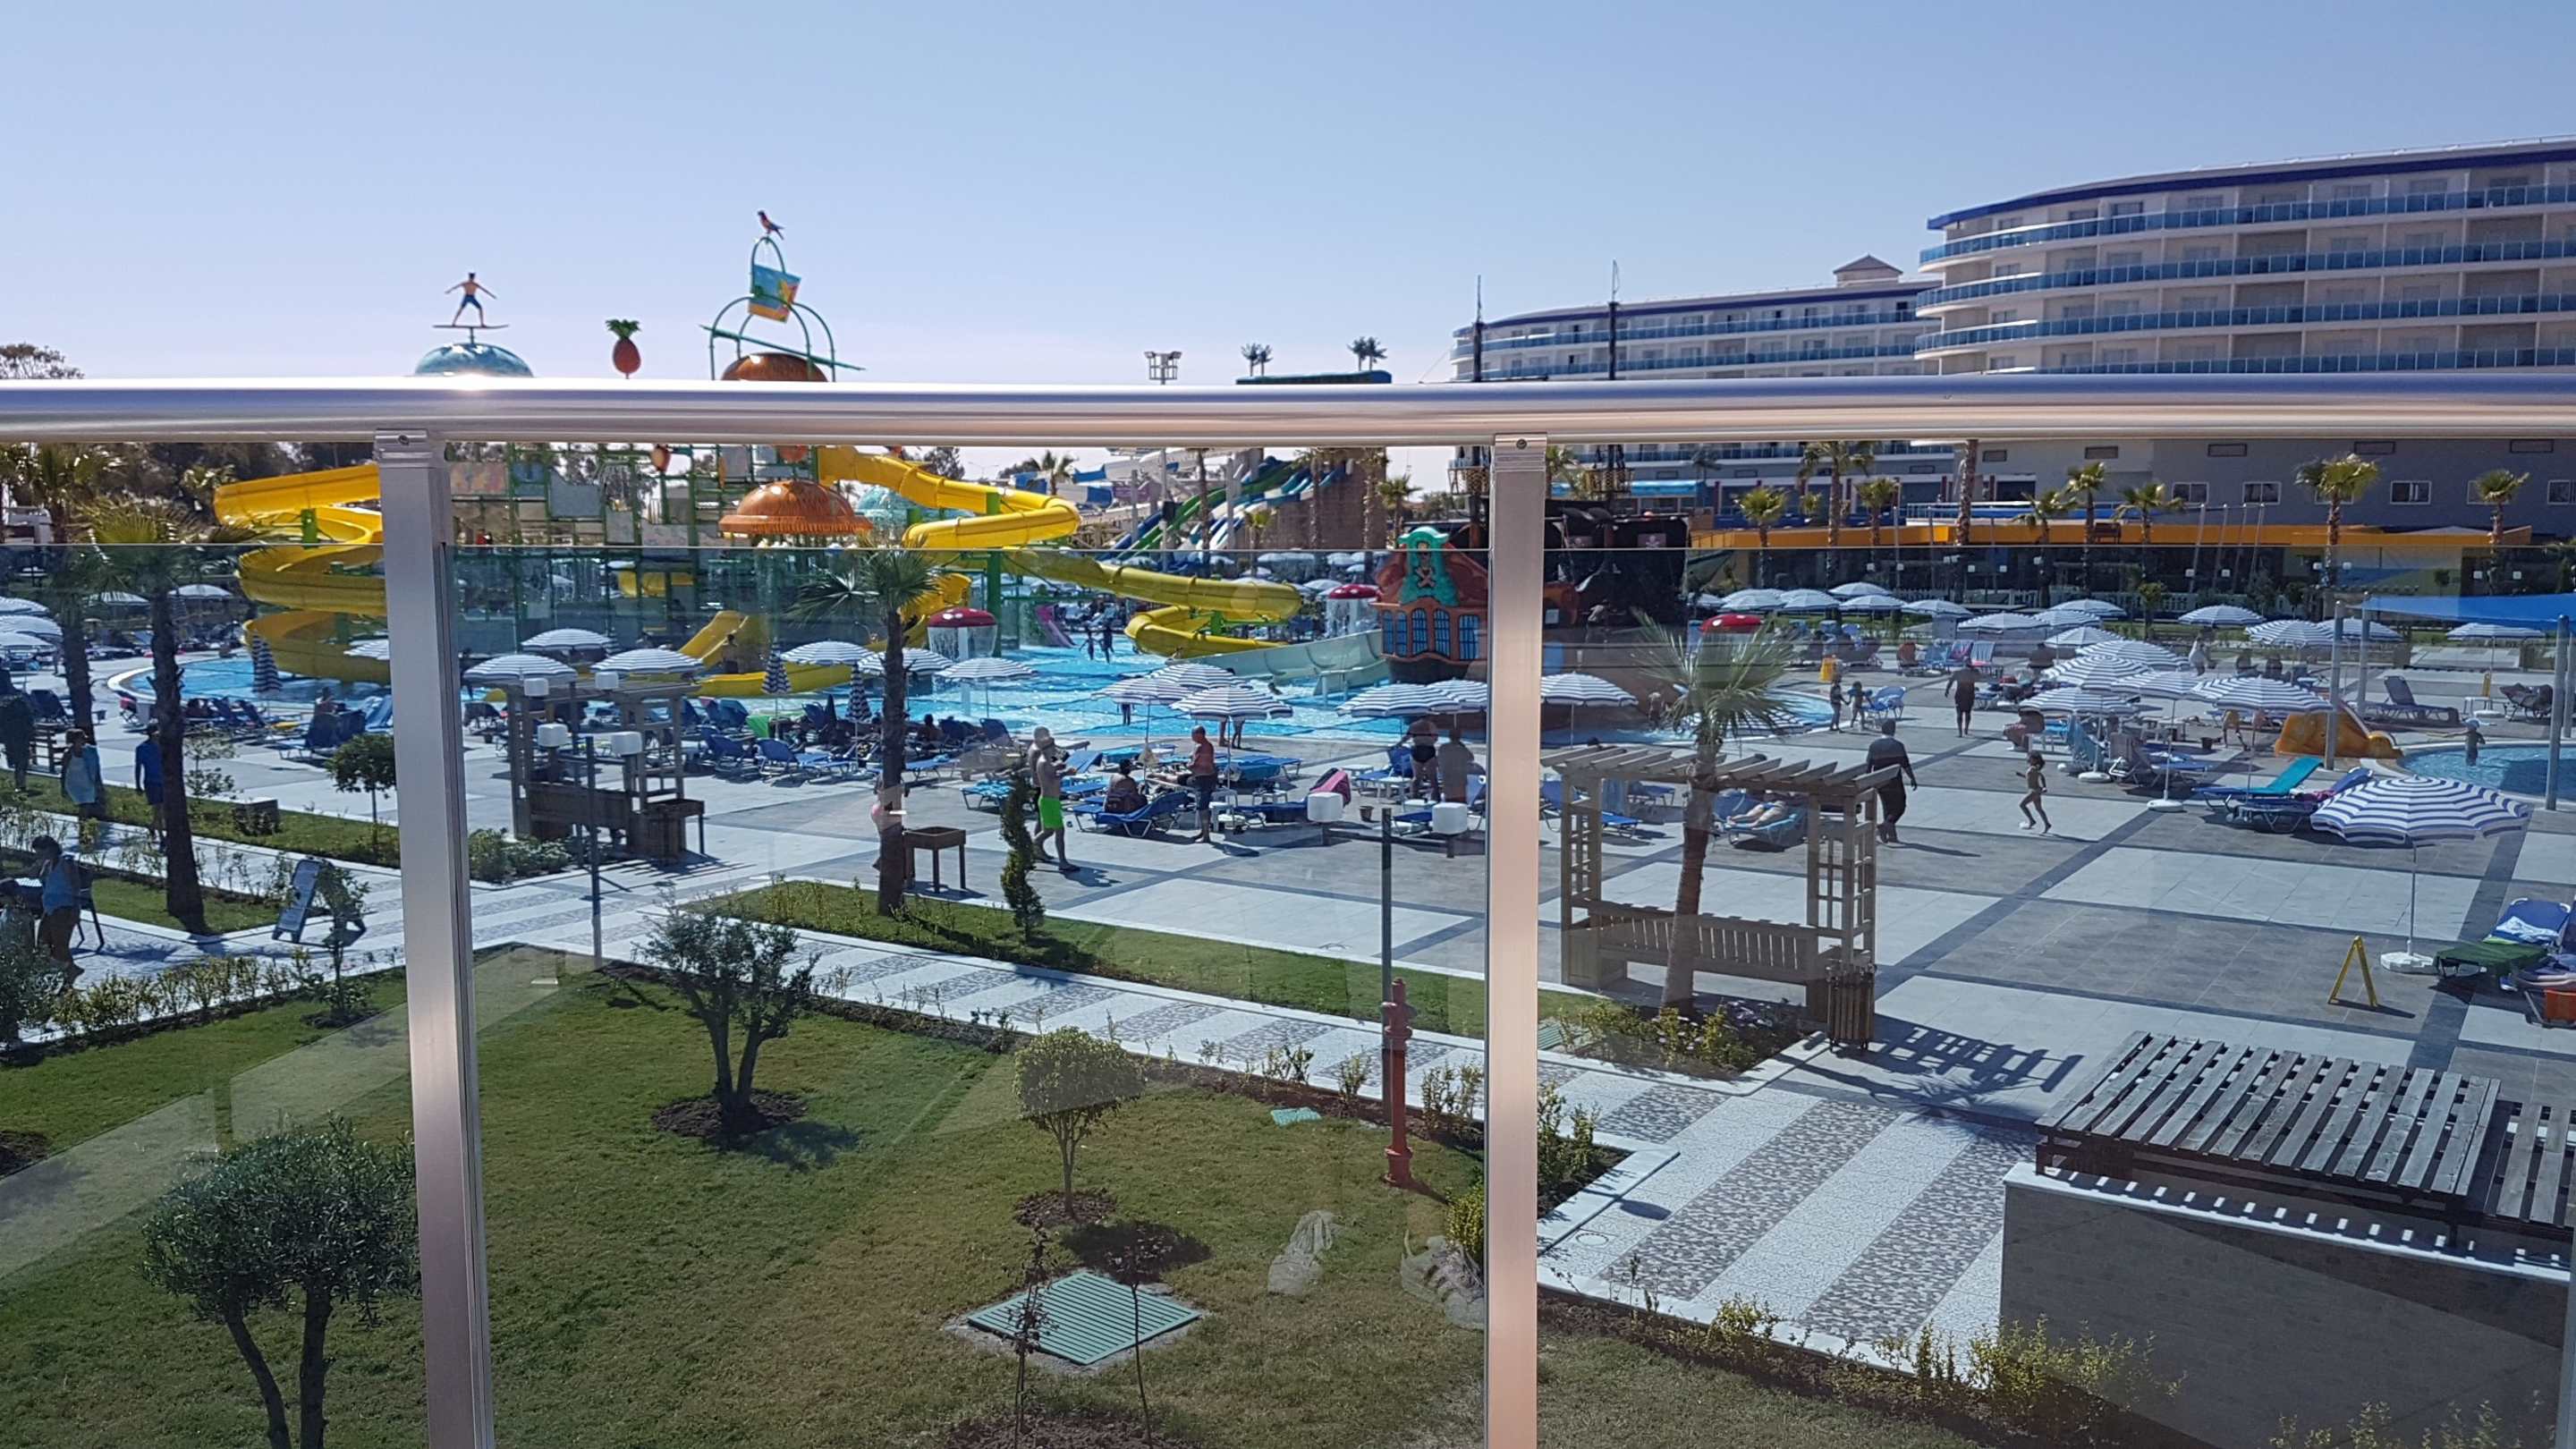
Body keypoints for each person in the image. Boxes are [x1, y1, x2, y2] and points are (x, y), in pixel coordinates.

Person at [31, 835, 80, 989]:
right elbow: (41, 879)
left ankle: (69, 974)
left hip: (63, 908)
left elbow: (76, 886)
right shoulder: (47, 863)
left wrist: (76, 910)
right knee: (43, 943)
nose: (38, 855)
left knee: (60, 945)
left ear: (49, 849)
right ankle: (69, 969)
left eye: (40, 851)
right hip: (49, 907)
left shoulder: (66, 862)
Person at [1866, 719, 1919, 844]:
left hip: (1879, 780)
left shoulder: (1874, 745)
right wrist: (1912, 778)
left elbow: (1868, 765)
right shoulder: (1898, 745)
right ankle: (1885, 826)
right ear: (1893, 730)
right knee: (1900, 806)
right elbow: (1905, 764)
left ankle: (1891, 835)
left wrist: (1868, 781)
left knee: (1887, 806)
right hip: (1894, 781)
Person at [1029, 728, 1071, 869]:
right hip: (1049, 801)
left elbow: (1052, 771)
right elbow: (1052, 780)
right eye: (1054, 747)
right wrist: (1065, 773)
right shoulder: (1044, 761)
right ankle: (1063, 862)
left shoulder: (1046, 760)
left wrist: (1059, 767)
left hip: (1050, 800)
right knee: (1059, 831)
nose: (1056, 750)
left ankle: (1030, 848)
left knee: (1048, 831)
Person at [59, 729, 103, 820]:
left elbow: (95, 767)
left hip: (87, 782)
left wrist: (97, 782)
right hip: (74, 784)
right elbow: (63, 771)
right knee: (84, 805)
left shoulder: (88, 751)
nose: (84, 740)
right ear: (74, 740)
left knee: (87, 805)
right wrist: (63, 787)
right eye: (81, 738)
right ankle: (83, 823)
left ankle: (84, 823)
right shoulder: (68, 754)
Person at [1187, 725, 1220, 843]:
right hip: (1209, 778)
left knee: (1203, 807)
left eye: (1193, 734)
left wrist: (1187, 764)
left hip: (1204, 779)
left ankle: (1206, 836)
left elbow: (1195, 765)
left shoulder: (1201, 747)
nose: (1192, 737)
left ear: (1199, 735)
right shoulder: (1209, 745)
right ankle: (1203, 831)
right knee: (1203, 805)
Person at [0, 682, 32, 792]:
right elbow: (29, 721)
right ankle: (20, 783)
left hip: (13, 739)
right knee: (21, 762)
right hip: (20, 738)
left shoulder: (6, 710)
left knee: (18, 762)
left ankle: (20, 783)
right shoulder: (21, 707)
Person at [134, 732, 166, 840]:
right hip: (151, 782)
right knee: (157, 808)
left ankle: (152, 826)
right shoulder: (142, 748)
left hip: (164, 781)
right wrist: (138, 785)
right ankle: (161, 836)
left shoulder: (164, 746)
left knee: (163, 809)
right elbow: (138, 767)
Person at [1436, 727, 1480, 804]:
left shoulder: (1443, 748)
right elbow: (1471, 758)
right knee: (1460, 800)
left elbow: (1439, 760)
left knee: (1449, 799)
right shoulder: (1462, 749)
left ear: (1449, 736)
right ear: (1459, 737)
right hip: (1460, 777)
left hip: (1447, 777)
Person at [2019, 750, 2053, 835]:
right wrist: (2021, 775)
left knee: (2022, 805)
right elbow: (2030, 778)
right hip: (2036, 791)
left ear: (2034, 760)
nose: (2028, 759)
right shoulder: (2033, 768)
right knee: (2039, 809)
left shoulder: (2034, 768)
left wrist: (2044, 787)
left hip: (2033, 791)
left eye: (2029, 758)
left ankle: (2032, 820)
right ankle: (2047, 824)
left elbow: (2042, 777)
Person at [1405, 715, 1440, 801]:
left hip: (1417, 750)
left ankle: (1414, 796)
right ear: (1429, 716)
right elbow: (1435, 739)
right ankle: (1436, 797)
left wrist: (1398, 744)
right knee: (1433, 778)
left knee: (1417, 777)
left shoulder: (1413, 725)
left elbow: (1407, 737)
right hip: (1428, 750)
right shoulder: (1431, 725)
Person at [1951, 667, 1978, 738]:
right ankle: (1965, 730)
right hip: (1967, 695)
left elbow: (1951, 680)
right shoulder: (1972, 673)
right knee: (1966, 713)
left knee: (1961, 713)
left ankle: (1962, 731)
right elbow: (1981, 678)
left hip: (1962, 695)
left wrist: (1947, 689)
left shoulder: (1958, 673)